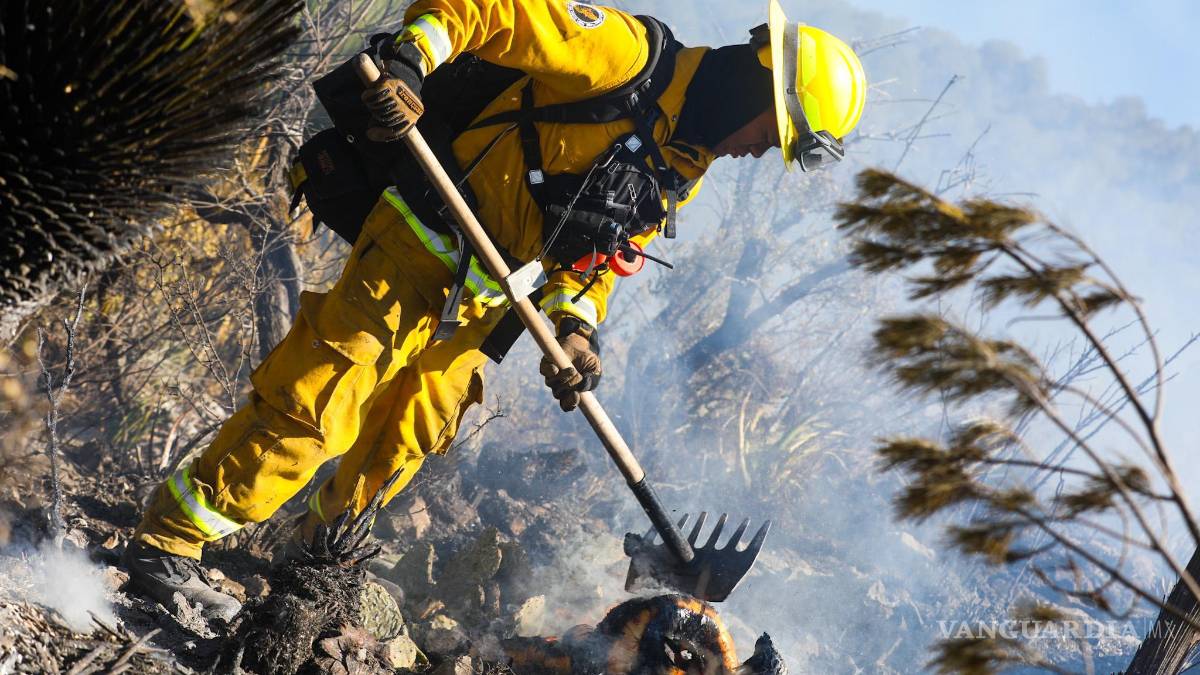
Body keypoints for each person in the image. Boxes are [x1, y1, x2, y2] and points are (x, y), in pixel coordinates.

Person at [122, 0, 867, 621]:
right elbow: (490, 11)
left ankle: (306, 573)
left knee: (404, 436)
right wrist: (412, 61)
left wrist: (577, 329)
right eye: (771, 134)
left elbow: (602, 257)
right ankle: (167, 546)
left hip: (485, 300)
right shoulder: (623, 54)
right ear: (757, 88)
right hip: (423, 237)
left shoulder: (683, 165)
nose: (757, 151)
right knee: (324, 398)